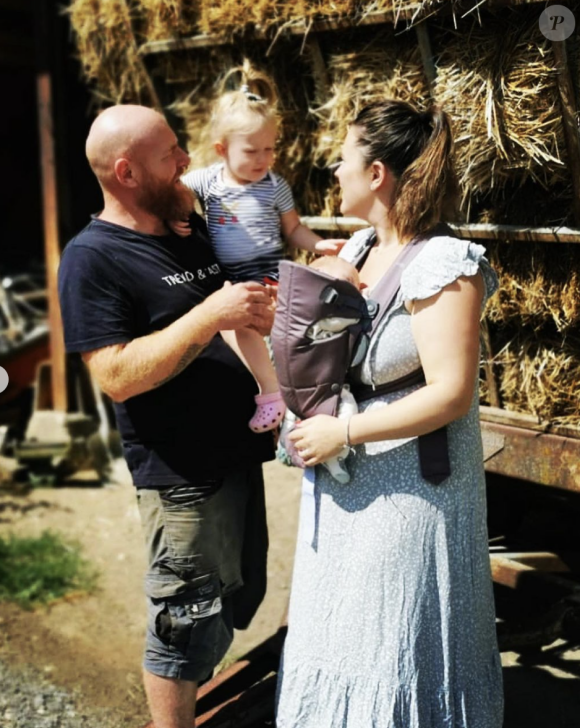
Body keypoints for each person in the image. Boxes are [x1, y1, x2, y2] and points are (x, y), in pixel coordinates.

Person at [276, 99, 504, 727]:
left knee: (394, 642)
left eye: (342, 157)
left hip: (411, 497)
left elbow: (453, 392)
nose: (334, 169)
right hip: (348, 485)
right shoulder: (358, 245)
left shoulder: (442, 263)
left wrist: (343, 429)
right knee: (345, 637)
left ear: (377, 173)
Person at [57, 104, 276, 728]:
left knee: (233, 600)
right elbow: (116, 377)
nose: (187, 160)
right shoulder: (91, 258)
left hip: (233, 457)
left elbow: (229, 317)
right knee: (182, 623)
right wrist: (210, 315)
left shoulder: (187, 229)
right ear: (126, 172)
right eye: (169, 155)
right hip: (180, 476)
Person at [172, 61, 345, 433]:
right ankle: (269, 391)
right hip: (229, 277)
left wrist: (319, 245)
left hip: (266, 271)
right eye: (251, 151)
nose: (263, 159)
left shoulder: (274, 186)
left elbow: (293, 229)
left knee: (246, 324)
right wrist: (175, 214)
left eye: (269, 149)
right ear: (221, 149)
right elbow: (176, 192)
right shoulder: (207, 181)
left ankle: (272, 393)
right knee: (228, 326)